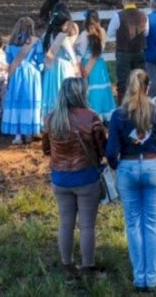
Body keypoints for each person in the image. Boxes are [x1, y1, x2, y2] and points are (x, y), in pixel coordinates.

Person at [106, 70, 156, 292]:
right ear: (148, 87)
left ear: (129, 87)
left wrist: (118, 167)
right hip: (154, 165)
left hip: (127, 166)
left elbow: (110, 151)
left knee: (133, 223)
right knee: (153, 223)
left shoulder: (119, 115)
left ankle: (139, 277)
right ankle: (152, 278)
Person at [42, 77, 107, 275]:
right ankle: (88, 266)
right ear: (82, 94)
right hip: (86, 177)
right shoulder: (91, 117)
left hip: (60, 178)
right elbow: (101, 149)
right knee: (87, 225)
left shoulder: (51, 118)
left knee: (66, 222)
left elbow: (46, 150)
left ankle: (67, 264)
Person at [1, 17, 46, 145]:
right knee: (29, 102)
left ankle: (17, 135)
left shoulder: (11, 42)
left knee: (17, 103)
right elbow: (40, 59)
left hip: (16, 74)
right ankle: (29, 133)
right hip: (31, 73)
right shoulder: (35, 42)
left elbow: (9, 61)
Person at [106, 0, 149, 103]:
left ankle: (123, 104)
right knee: (140, 78)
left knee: (123, 80)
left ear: (124, 1)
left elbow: (110, 33)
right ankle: (141, 102)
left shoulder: (118, 15)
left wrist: (121, 35)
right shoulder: (143, 15)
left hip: (123, 51)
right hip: (139, 51)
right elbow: (146, 32)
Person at [77, 10, 116, 117]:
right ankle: (104, 114)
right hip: (99, 64)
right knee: (102, 89)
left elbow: (83, 52)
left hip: (87, 64)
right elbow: (100, 50)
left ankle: (91, 114)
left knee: (90, 90)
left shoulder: (84, 34)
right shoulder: (102, 32)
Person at [42, 15, 82, 117]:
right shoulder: (62, 37)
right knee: (63, 90)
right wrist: (77, 72)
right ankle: (64, 115)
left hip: (51, 67)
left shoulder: (46, 36)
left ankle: (50, 116)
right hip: (63, 66)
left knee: (52, 91)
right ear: (62, 25)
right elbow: (71, 54)